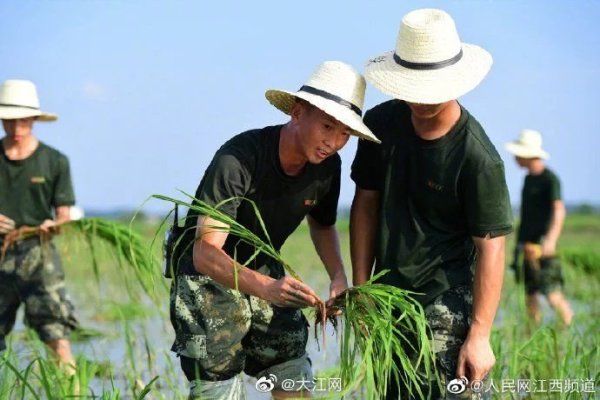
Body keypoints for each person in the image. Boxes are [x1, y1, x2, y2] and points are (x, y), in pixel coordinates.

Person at [170, 61, 380, 399]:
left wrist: (338, 278)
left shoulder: (328, 167)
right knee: (218, 381)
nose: (334, 142)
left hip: (264, 268)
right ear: (297, 113)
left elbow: (323, 225)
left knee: (291, 365)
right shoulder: (239, 159)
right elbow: (204, 252)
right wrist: (267, 288)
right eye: (327, 126)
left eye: (345, 134)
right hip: (208, 277)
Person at [350, 9, 513, 398]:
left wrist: (480, 335)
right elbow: (365, 206)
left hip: (447, 300)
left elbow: (491, 247)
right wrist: (361, 288)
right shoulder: (380, 125)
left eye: (432, 86)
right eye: (414, 86)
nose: (422, 99)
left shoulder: (477, 158)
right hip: (388, 302)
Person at [0, 79, 78, 371]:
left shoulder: (55, 161)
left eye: (22, 120)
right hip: (0, 256)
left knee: (55, 331)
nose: (16, 128)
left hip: (39, 256)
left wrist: (53, 224)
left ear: (34, 118)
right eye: (9, 121)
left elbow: (64, 216)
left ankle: (71, 391)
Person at [506, 129, 573, 326]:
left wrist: (550, 241)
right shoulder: (528, 178)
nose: (515, 157)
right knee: (530, 294)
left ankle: (567, 331)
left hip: (542, 247)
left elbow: (559, 210)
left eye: (518, 153)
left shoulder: (549, 179)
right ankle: (532, 334)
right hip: (525, 245)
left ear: (528, 154)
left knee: (552, 293)